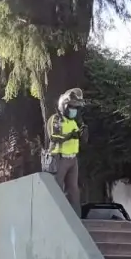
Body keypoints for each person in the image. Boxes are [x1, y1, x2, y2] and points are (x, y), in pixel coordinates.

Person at [46, 88, 85, 216]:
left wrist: (83, 134)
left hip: (73, 160)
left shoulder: (74, 122)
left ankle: (76, 218)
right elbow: (53, 137)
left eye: (76, 107)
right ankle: (55, 216)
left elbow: (80, 140)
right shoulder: (56, 119)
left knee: (74, 190)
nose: (74, 109)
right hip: (59, 158)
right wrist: (70, 135)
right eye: (71, 106)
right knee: (56, 189)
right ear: (64, 106)